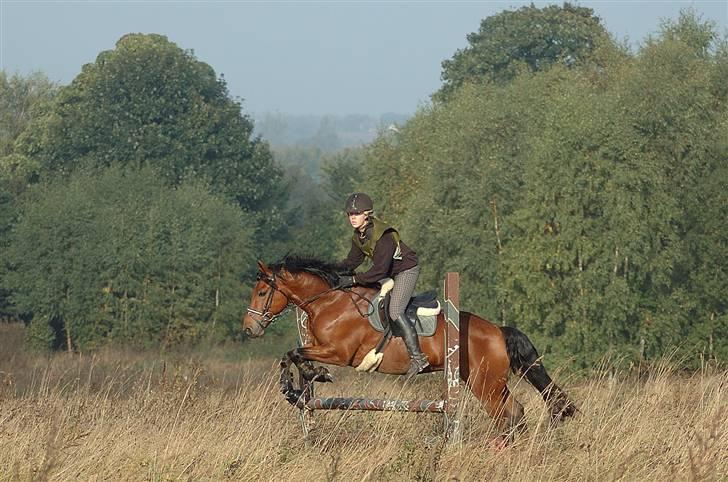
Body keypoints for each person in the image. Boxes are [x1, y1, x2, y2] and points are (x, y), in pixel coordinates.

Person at [337, 192, 429, 379]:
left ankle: (418, 358)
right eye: (349, 214)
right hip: (389, 272)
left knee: (395, 310)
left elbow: (379, 271)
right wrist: (330, 271)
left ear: (367, 214)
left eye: (356, 214)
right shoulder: (359, 236)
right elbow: (352, 262)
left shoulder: (383, 235)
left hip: (406, 270)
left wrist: (354, 280)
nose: (352, 217)